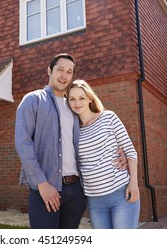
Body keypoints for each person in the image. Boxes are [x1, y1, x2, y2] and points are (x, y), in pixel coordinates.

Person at [15, 53, 127, 229]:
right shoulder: (33, 100)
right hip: (46, 188)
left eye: (69, 71)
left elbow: (94, 136)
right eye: (60, 70)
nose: (64, 75)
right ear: (49, 71)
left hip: (76, 191)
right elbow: (23, 143)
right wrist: (41, 184)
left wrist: (121, 154)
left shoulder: (74, 105)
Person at [66, 79, 140, 229]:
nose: (77, 103)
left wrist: (134, 183)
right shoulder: (73, 130)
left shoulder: (108, 117)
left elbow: (130, 151)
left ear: (90, 98)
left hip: (121, 194)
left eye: (81, 98)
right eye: (72, 99)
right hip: (94, 201)